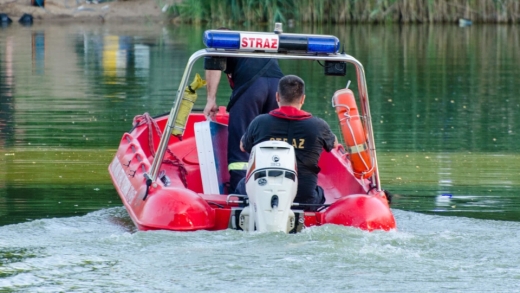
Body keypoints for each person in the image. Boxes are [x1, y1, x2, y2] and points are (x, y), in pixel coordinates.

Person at [237, 75, 338, 211]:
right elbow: (334, 145)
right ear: (303, 99)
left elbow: (243, 146)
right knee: (319, 192)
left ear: (277, 97)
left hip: (261, 197)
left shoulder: (260, 122)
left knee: (241, 185)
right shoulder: (319, 126)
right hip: (304, 201)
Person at [204, 55, 283, 193]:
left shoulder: (222, 43)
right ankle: (273, 191)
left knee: (240, 148)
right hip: (278, 86)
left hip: (252, 86)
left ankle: (240, 195)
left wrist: (211, 100)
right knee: (272, 144)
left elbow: (213, 64)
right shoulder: (252, 45)